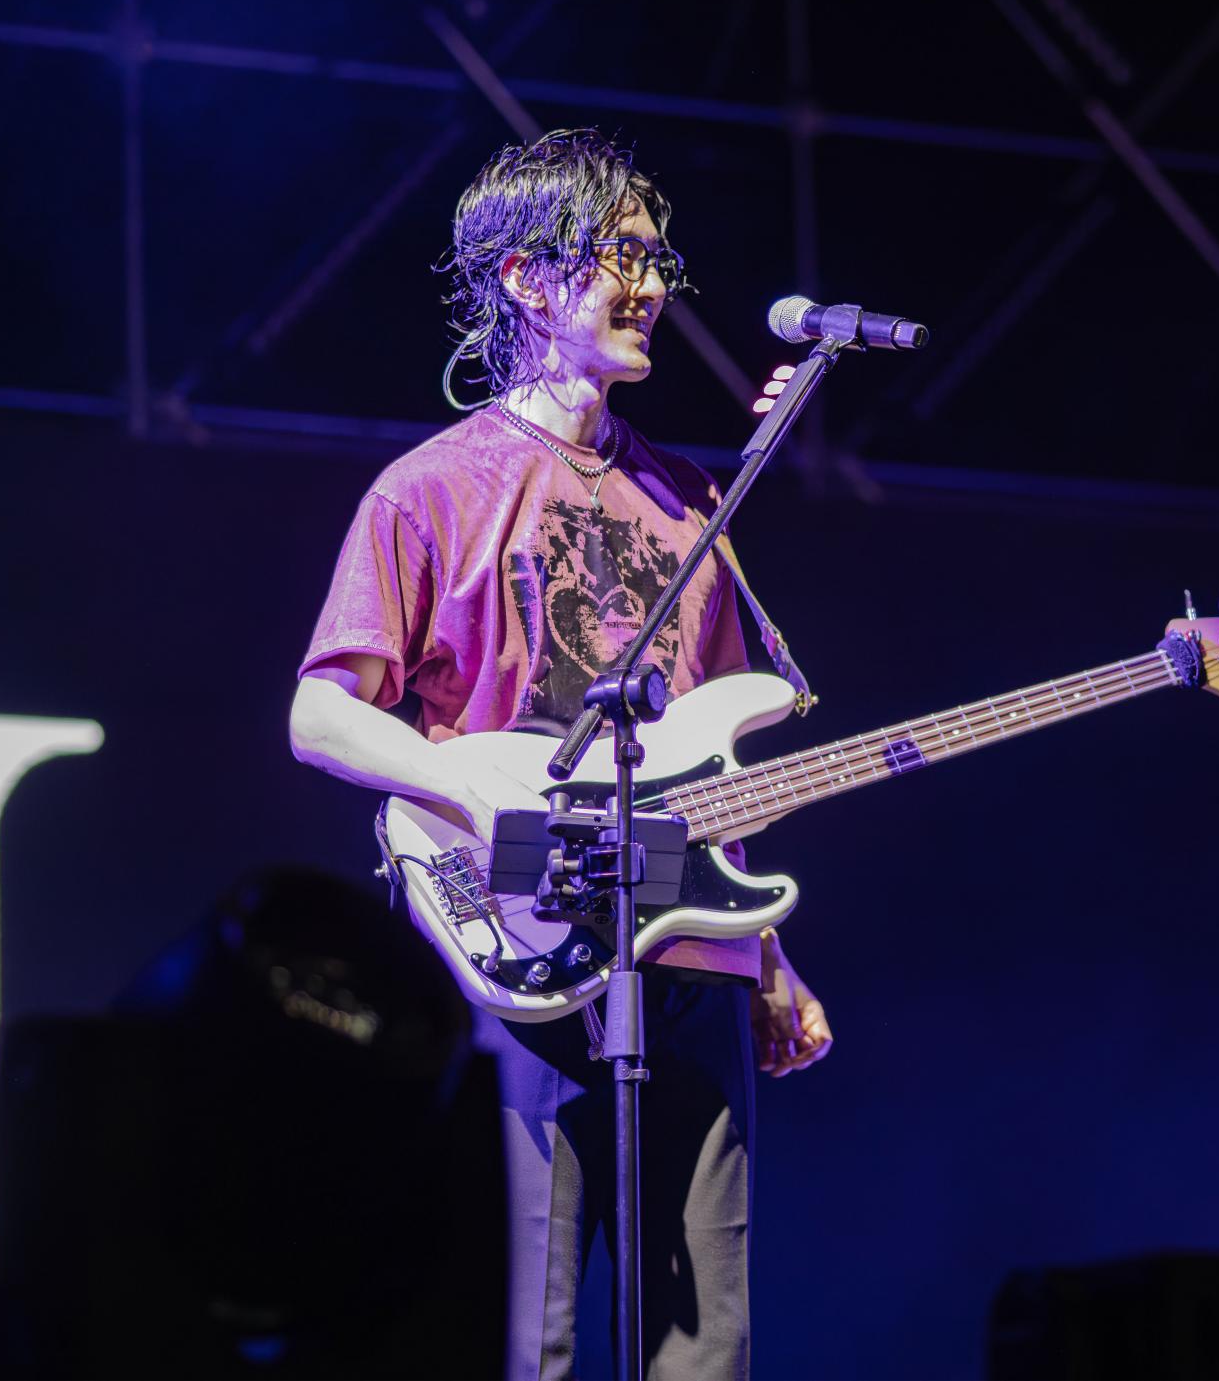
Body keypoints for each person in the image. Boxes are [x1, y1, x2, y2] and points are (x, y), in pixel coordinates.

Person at [287, 127, 832, 1380]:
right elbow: (321, 714)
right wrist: (466, 783)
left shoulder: (690, 498)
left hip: (689, 959)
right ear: (528, 278)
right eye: (619, 256)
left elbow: (712, 763)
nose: (650, 285)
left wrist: (769, 953)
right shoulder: (430, 490)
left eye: (656, 258)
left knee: (705, 1352)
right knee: (523, 1342)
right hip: (516, 962)